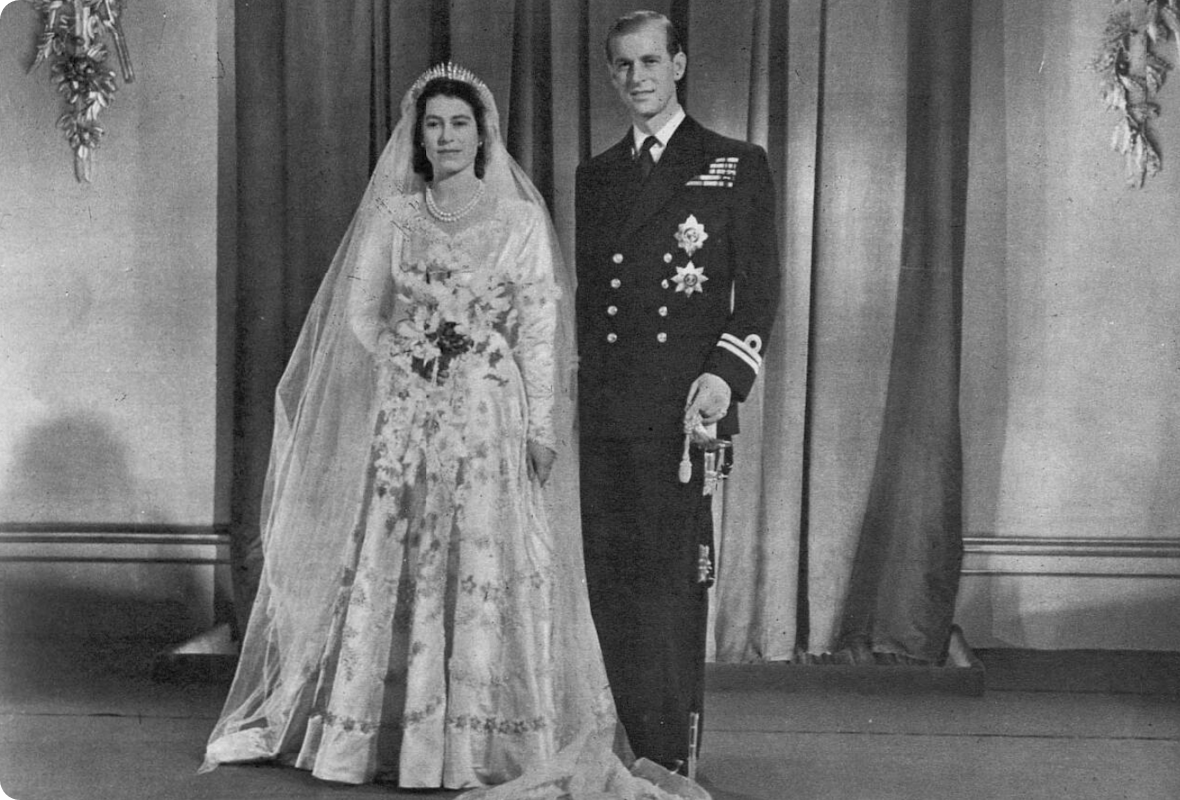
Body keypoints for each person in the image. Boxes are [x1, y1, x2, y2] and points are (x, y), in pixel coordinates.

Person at [201, 63, 709, 800]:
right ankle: (392, 738)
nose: (445, 137)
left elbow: (538, 328)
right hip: (410, 419)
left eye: (458, 124)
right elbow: (359, 311)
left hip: (489, 419)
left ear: (482, 134)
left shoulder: (518, 221)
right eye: (433, 124)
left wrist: (540, 428)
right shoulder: (396, 217)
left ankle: (478, 745)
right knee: (402, 562)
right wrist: (404, 356)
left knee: (482, 565)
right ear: (418, 134)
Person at [575, 11, 781, 776]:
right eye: (623, 66)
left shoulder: (732, 162)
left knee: (668, 589)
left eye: (651, 62)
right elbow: (590, 306)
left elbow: (758, 292)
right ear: (612, 75)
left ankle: (670, 757)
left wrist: (724, 379)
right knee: (611, 580)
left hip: (683, 413)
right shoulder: (594, 177)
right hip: (606, 412)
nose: (638, 78)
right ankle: (636, 752)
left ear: (680, 64)